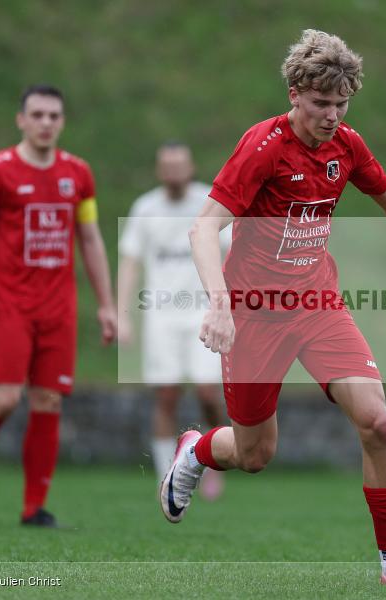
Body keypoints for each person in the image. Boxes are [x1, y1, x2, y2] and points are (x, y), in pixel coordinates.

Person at [159, 30, 386, 585]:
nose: (332, 115)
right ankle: (196, 450)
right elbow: (204, 226)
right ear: (294, 94)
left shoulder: (347, 146)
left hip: (317, 304)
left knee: (378, 423)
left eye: (341, 104)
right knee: (255, 453)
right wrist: (218, 304)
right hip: (254, 313)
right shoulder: (262, 146)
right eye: (321, 104)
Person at [0, 84, 117, 527]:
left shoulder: (78, 174)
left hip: (59, 309)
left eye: (53, 116)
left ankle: (33, 507)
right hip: (10, 306)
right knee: (2, 399)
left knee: (49, 401)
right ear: (21, 120)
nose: (45, 123)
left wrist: (107, 304)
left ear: (63, 122)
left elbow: (90, 238)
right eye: (36, 115)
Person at [118, 142, 230, 499]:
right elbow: (130, 263)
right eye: (167, 166)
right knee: (166, 395)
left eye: (179, 165)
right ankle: (168, 473)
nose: (174, 172)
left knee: (207, 392)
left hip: (202, 311)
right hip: (161, 316)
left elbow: (230, 252)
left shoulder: (207, 201)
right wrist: (122, 314)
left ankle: (214, 460)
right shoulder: (146, 208)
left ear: (191, 166)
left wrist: (231, 303)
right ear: (159, 170)